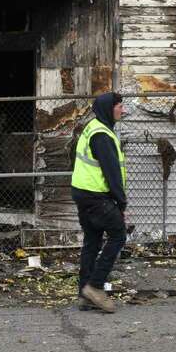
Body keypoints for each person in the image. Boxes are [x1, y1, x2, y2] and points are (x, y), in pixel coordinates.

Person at [71, 91, 128, 313]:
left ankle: (84, 295)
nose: (123, 110)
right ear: (108, 109)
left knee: (92, 241)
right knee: (118, 235)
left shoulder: (93, 127)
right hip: (96, 196)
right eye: (120, 106)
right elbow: (112, 174)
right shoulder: (102, 135)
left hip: (83, 193)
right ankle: (95, 287)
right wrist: (121, 204)